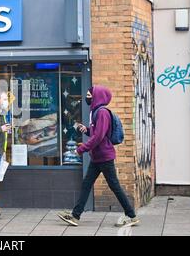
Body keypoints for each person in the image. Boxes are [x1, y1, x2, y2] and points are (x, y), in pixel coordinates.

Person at [57, 86, 140, 228]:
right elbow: (96, 133)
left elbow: (99, 136)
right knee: (87, 184)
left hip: (104, 157)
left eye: (90, 95)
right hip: (97, 157)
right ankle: (75, 215)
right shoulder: (95, 112)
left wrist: (81, 149)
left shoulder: (102, 113)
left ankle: (131, 215)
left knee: (114, 186)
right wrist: (87, 130)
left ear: (97, 97)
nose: (87, 97)